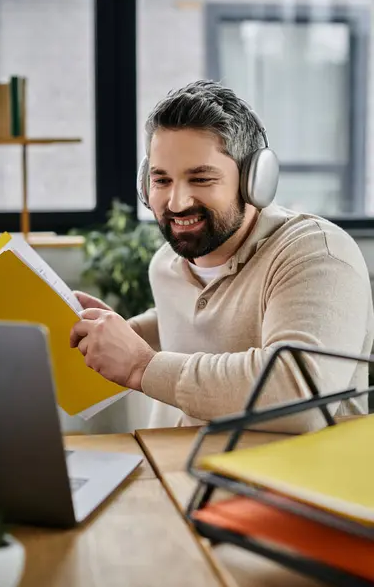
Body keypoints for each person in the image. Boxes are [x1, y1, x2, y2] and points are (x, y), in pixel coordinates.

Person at [70, 80, 374, 432]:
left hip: (279, 482)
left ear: (254, 181)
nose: (176, 202)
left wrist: (142, 366)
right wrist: (128, 334)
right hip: (171, 466)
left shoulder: (316, 255)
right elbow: (199, 316)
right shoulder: (165, 267)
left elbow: (298, 393)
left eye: (200, 179)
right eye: (162, 180)